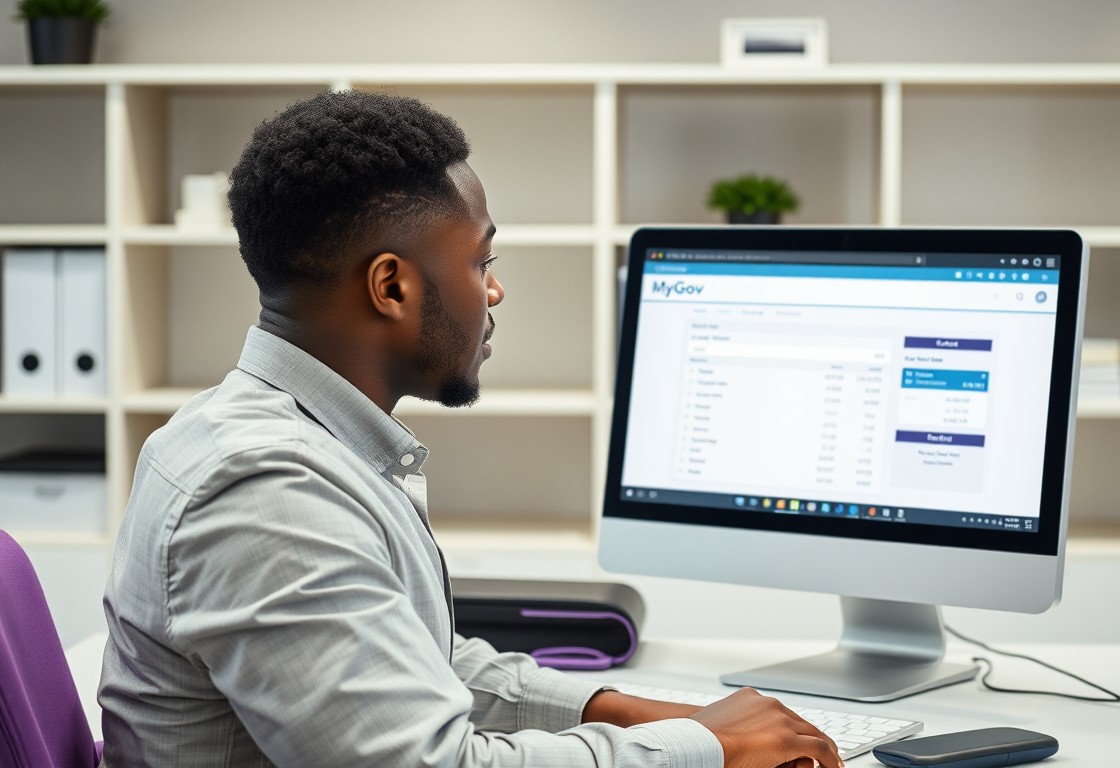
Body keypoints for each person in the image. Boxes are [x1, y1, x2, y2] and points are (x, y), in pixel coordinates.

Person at [98, 89, 842, 768]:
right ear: (392, 285)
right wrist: (705, 749)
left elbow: (416, 663)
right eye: (481, 259)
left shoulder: (285, 439)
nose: (495, 289)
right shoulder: (265, 492)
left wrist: (626, 709)